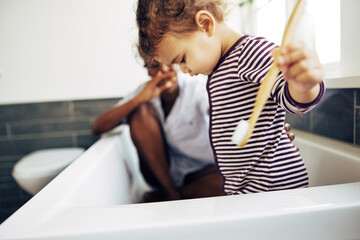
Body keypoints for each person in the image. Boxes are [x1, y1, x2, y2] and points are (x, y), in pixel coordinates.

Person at [136, 0, 325, 195]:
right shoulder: (219, 70)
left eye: (182, 59)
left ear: (205, 24)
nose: (185, 71)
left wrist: (304, 85)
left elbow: (292, 98)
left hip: (271, 183)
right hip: (248, 185)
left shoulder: (249, 53)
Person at [92, 62, 225, 202]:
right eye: (155, 65)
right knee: (140, 111)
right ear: (149, 71)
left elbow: (214, 108)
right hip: (162, 175)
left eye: (169, 63)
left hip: (204, 171)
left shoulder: (196, 87)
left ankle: (166, 197)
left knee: (226, 185)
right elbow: (97, 127)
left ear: (179, 64)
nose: (163, 70)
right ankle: (169, 191)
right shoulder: (144, 91)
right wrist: (139, 99)